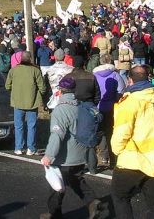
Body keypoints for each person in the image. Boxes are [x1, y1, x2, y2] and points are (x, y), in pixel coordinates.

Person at [110, 65, 154, 219]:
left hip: (133, 158)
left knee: (120, 196)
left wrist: (117, 150)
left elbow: (121, 132)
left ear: (130, 80)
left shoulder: (130, 102)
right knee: (153, 201)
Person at [40, 77, 99, 219]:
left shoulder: (61, 110)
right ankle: (92, 202)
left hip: (64, 157)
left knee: (56, 186)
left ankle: (54, 214)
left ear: (60, 91)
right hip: (80, 154)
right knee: (76, 180)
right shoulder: (81, 106)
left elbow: (57, 134)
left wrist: (49, 155)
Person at [5, 51, 46, 156]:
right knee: (31, 126)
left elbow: (7, 86)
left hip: (17, 102)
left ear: (20, 59)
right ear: (30, 59)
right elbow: (42, 88)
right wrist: (39, 94)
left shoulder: (13, 70)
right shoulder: (35, 70)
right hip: (32, 102)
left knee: (19, 126)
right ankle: (31, 148)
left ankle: (18, 148)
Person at [92, 53, 126, 167]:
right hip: (112, 107)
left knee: (101, 131)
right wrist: (115, 101)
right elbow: (121, 90)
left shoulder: (94, 75)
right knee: (111, 131)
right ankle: (113, 158)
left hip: (98, 107)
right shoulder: (115, 75)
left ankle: (104, 156)